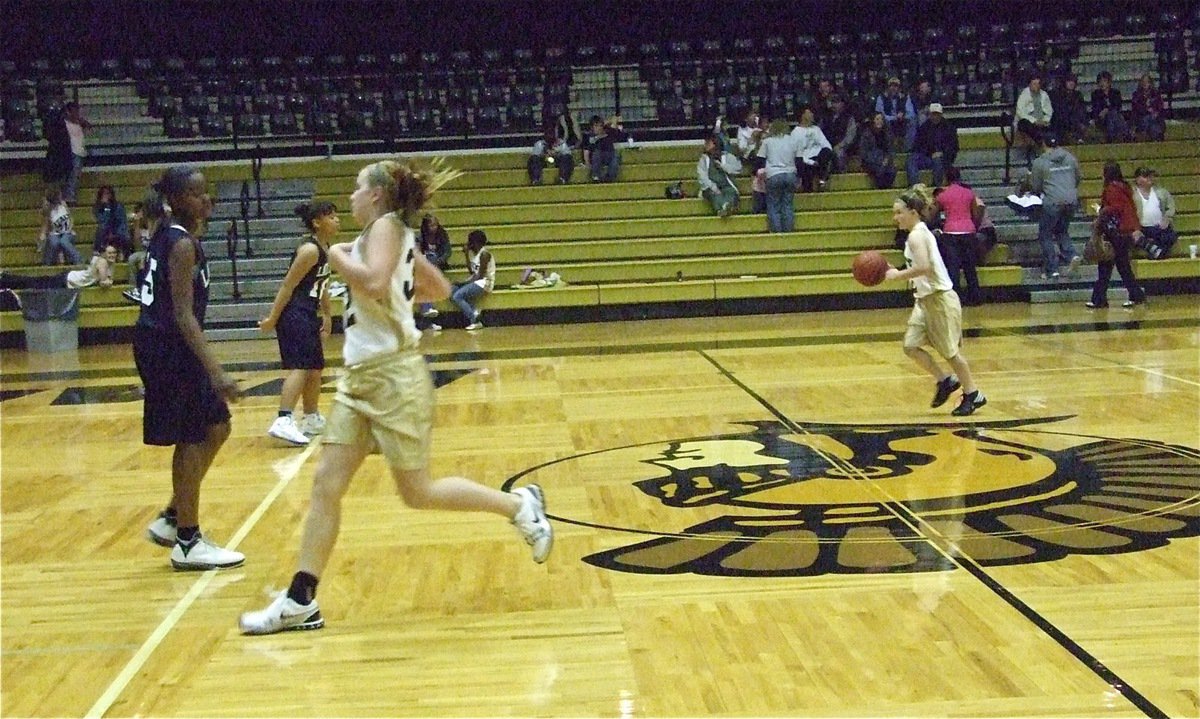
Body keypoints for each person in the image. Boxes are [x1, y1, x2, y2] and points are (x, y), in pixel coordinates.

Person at [238, 158, 552, 635]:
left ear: (377, 196)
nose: (350, 197)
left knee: (418, 492)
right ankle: (301, 599)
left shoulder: (383, 227)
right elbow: (439, 286)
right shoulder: (392, 235)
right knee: (326, 483)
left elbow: (375, 282)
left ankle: (520, 506)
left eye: (357, 189)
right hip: (361, 378)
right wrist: (390, 282)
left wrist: (335, 253)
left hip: (393, 378)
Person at [137, 165, 245, 571]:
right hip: (168, 347)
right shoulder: (181, 245)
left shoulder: (171, 235)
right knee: (192, 435)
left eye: (207, 193)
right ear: (179, 199)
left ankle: (171, 517)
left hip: (164, 344)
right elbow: (183, 315)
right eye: (198, 194)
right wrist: (216, 372)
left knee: (218, 426)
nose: (207, 199)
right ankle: (188, 540)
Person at [884, 187, 987, 417]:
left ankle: (973, 393)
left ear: (913, 212)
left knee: (950, 352)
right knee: (910, 346)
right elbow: (920, 267)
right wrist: (899, 270)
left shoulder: (917, 235)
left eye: (899, 212)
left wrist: (897, 276)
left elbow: (924, 267)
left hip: (939, 299)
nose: (895, 217)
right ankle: (945, 381)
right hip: (924, 300)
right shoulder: (917, 233)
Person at [259, 201, 337, 446]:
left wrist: (327, 314)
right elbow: (288, 285)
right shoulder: (309, 251)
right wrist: (272, 318)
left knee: (315, 368)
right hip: (294, 314)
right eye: (330, 216)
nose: (337, 220)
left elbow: (321, 284)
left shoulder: (326, 248)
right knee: (301, 367)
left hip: (307, 312)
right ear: (317, 222)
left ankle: (311, 417)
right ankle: (283, 419)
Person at [1088, 162, 1147, 309]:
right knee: (1120, 266)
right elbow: (1129, 208)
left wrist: (1101, 211)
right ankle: (1134, 295)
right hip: (1126, 230)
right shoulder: (1125, 188)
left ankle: (1100, 299)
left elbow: (1114, 208)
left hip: (1115, 232)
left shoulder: (1111, 189)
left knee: (1108, 266)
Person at [1029, 135, 1082, 279]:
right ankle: (1072, 255)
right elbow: (1078, 178)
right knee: (1062, 230)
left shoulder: (1040, 162)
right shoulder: (1070, 157)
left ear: (1043, 144)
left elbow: (1036, 186)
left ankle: (1052, 269)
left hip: (1052, 201)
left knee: (1045, 234)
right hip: (1071, 200)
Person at [934, 168, 981, 305]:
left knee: (953, 267)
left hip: (950, 232)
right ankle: (975, 297)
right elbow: (976, 213)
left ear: (946, 178)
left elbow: (933, 213)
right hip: (968, 231)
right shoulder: (969, 193)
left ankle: (955, 298)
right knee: (969, 266)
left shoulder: (943, 195)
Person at [0, 244, 117, 291]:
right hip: (67, 281)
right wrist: (110, 281)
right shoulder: (102, 262)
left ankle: (5, 278)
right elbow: (103, 282)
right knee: (32, 283)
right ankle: (5, 278)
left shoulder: (106, 262)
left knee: (34, 282)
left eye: (114, 253)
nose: (112, 255)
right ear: (103, 254)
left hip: (69, 279)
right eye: (109, 253)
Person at [758, 118, 798, 232]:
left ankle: (777, 232)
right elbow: (799, 158)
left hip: (774, 174)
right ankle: (788, 231)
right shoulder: (792, 140)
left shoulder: (767, 141)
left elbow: (760, 159)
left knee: (774, 206)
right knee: (788, 205)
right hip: (790, 173)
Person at [905, 103, 957, 188]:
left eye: (937, 114)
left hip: (943, 158)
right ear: (930, 115)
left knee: (938, 161)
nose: (935, 116)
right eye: (933, 114)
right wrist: (929, 153)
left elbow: (953, 147)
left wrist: (942, 153)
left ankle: (937, 186)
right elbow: (917, 145)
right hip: (926, 157)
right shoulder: (924, 127)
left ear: (941, 114)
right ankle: (915, 185)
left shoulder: (949, 128)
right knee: (911, 160)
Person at [451, 229, 495, 330]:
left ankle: (474, 319)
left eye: (470, 242)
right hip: (477, 281)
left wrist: (463, 283)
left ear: (475, 243)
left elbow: (480, 276)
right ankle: (474, 311)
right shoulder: (476, 255)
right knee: (453, 290)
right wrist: (466, 254)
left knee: (457, 296)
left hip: (485, 283)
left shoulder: (484, 254)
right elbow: (472, 272)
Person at [1131, 167, 1177, 260]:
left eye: (1150, 176)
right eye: (1145, 176)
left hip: (1158, 227)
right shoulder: (1131, 194)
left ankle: (1154, 249)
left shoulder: (1161, 192)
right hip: (1141, 228)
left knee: (1171, 236)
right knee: (1132, 238)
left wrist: (1167, 218)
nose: (1149, 178)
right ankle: (1156, 249)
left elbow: (1170, 207)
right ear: (1137, 179)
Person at [416, 213, 451, 325]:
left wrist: (438, 261)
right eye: (431, 225)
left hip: (438, 263)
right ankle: (428, 312)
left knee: (432, 258)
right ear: (426, 226)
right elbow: (417, 253)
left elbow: (447, 252)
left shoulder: (443, 235)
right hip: (426, 265)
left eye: (436, 225)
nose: (434, 227)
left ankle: (427, 311)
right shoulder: (420, 236)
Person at [791, 106, 834, 192]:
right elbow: (796, 153)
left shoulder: (816, 129)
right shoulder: (796, 132)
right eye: (809, 113)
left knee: (827, 152)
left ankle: (822, 180)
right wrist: (811, 162)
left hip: (819, 158)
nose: (812, 115)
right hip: (805, 160)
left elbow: (826, 145)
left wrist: (818, 159)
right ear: (803, 115)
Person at [697, 134, 739, 217]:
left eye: (709, 143)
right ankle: (721, 209)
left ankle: (726, 207)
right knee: (714, 194)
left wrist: (723, 166)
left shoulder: (727, 156)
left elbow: (737, 169)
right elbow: (702, 176)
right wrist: (713, 187)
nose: (706, 144)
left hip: (726, 185)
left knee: (731, 192)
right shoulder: (703, 159)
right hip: (710, 187)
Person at [39, 186, 82, 265]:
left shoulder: (63, 204)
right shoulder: (48, 210)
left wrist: (71, 228)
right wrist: (42, 236)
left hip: (67, 232)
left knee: (64, 242)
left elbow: (70, 218)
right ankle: (47, 264)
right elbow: (45, 225)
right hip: (54, 233)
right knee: (54, 242)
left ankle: (78, 261)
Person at [583, 114, 626, 182]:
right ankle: (596, 176)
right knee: (597, 153)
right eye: (596, 126)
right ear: (592, 127)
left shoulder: (608, 132)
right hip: (597, 157)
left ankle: (609, 177)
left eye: (600, 126)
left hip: (609, 155)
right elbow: (586, 151)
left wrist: (605, 124)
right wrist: (587, 163)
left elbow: (614, 119)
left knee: (616, 155)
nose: (599, 128)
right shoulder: (589, 137)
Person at [859, 112, 897, 189]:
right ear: (873, 121)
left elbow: (890, 149)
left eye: (881, 119)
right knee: (880, 170)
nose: (880, 121)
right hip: (871, 160)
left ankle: (886, 189)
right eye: (877, 119)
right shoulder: (866, 134)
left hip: (884, 160)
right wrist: (879, 161)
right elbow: (864, 153)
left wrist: (886, 160)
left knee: (892, 170)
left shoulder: (887, 134)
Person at [62, 102, 91, 204]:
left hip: (80, 151)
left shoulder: (79, 124)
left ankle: (71, 194)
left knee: (76, 175)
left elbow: (88, 130)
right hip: (72, 152)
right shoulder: (64, 124)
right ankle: (69, 196)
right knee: (72, 175)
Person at [1091, 71, 1131, 143]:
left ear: (1109, 82)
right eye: (1100, 81)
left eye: (1104, 81)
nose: (1102, 83)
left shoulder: (1116, 93)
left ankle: (1112, 137)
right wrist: (1104, 112)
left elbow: (1117, 106)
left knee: (1112, 115)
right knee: (1112, 115)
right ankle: (1126, 135)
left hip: (1114, 117)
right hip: (1101, 119)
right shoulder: (1095, 94)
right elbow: (1096, 109)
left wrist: (1107, 110)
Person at [92, 185, 131, 258]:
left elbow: (121, 221)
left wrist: (114, 232)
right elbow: (103, 220)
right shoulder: (98, 207)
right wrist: (106, 207)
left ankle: (123, 253)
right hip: (105, 231)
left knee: (124, 235)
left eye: (108, 193)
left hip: (118, 230)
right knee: (101, 229)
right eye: (104, 194)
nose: (107, 196)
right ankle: (98, 252)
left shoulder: (118, 206)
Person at [1048, 74, 1089, 145]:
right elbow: (1058, 111)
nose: (1071, 83)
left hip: (1075, 120)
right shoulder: (1057, 94)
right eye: (1069, 81)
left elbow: (1082, 109)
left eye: (1073, 81)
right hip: (1062, 121)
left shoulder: (1078, 95)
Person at [821, 95, 858, 173]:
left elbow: (850, 136)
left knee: (839, 154)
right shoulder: (825, 116)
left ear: (842, 104)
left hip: (843, 146)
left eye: (837, 102)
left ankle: (841, 176)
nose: (834, 105)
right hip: (827, 145)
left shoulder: (849, 117)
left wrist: (840, 145)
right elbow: (819, 132)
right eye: (833, 102)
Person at [1015, 74, 1053, 148]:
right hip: (1029, 122)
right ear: (1030, 84)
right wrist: (1034, 121)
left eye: (1038, 84)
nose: (1036, 86)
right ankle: (1039, 141)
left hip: (1042, 121)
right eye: (1034, 84)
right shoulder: (1024, 95)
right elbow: (1020, 112)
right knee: (1024, 124)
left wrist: (1045, 120)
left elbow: (1049, 110)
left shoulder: (1044, 95)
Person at [874, 77, 911, 145]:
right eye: (891, 85)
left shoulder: (905, 97)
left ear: (899, 88)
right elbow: (880, 114)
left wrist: (903, 115)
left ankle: (907, 146)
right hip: (887, 121)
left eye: (895, 86)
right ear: (888, 87)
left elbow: (910, 113)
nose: (893, 88)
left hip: (901, 121)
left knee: (911, 122)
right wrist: (893, 117)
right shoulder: (881, 97)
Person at [1130, 73, 1166, 141]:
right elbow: (1136, 109)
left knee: (1152, 123)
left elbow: (1160, 107)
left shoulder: (1156, 94)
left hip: (1155, 119)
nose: (1145, 83)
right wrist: (1146, 109)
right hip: (1141, 119)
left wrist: (1156, 112)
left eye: (1147, 82)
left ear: (1150, 83)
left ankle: (1156, 136)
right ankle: (1157, 135)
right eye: (1143, 82)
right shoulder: (1136, 95)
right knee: (1148, 118)